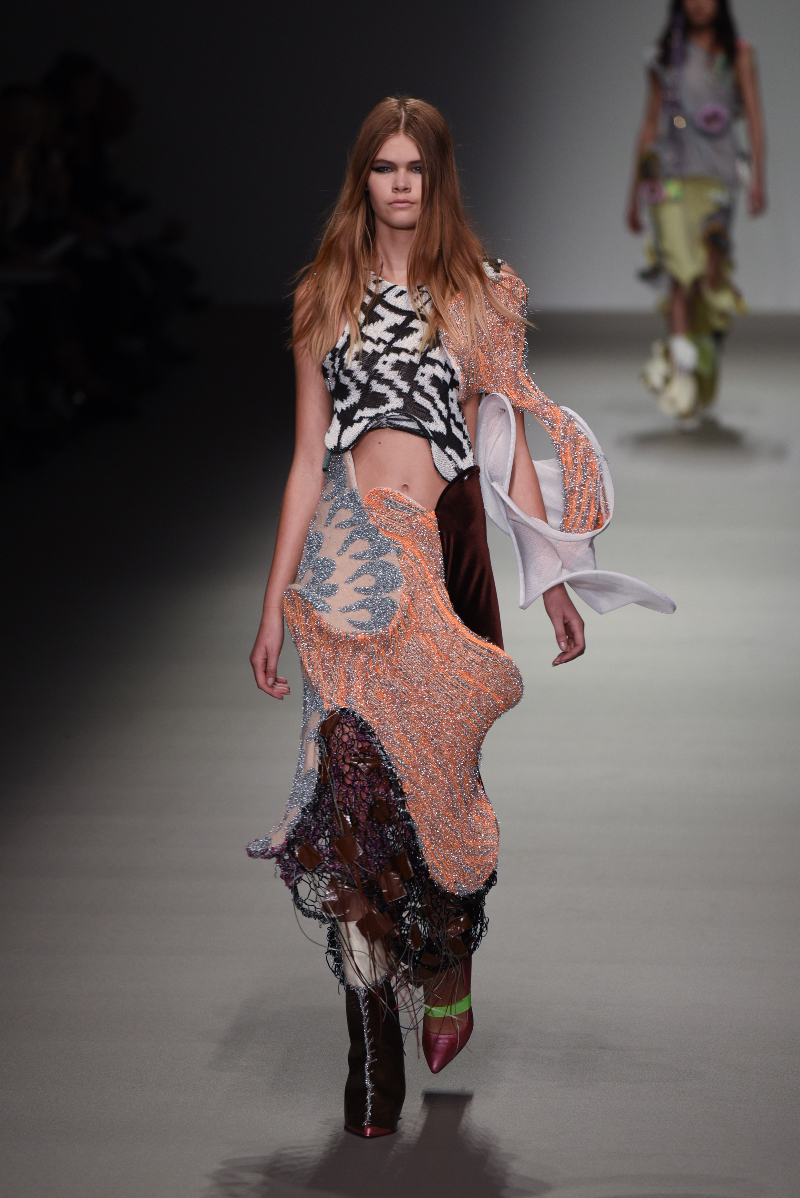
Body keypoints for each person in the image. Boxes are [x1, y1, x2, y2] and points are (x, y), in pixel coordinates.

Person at [248, 96, 674, 1139]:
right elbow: (304, 459)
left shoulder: (479, 294)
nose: (400, 185)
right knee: (347, 802)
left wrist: (555, 579)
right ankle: (370, 1050)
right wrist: (272, 603)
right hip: (347, 570)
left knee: (436, 792)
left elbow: (504, 447)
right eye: (383, 168)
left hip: (446, 560)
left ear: (437, 179)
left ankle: (445, 960)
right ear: (363, 179)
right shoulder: (323, 295)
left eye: (416, 168)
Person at [626, 0, 766, 420]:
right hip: (670, 176)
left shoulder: (738, 55)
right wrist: (633, 193)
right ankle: (683, 382)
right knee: (679, 270)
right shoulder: (664, 55)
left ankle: (701, 365)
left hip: (719, 179)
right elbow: (649, 122)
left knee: (709, 276)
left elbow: (754, 117)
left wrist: (758, 179)